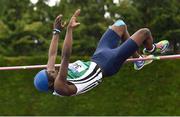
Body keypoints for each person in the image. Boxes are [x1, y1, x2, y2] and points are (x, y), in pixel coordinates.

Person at [34, 9, 169, 96]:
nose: (52, 69)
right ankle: (151, 49)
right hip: (108, 65)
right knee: (144, 33)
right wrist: (69, 30)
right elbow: (65, 57)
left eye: (50, 70)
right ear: (50, 84)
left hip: (98, 57)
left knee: (120, 25)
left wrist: (56, 32)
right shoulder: (60, 87)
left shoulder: (50, 76)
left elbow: (52, 55)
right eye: (51, 73)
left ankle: (138, 60)